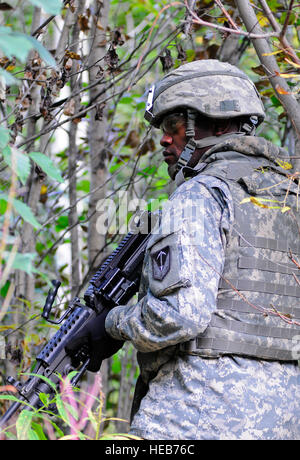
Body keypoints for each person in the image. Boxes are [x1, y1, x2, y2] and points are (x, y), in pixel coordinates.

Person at [67, 59, 300, 440]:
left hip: (196, 412)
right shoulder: (290, 195)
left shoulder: (201, 193)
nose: (164, 139)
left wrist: (111, 324)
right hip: (286, 416)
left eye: (174, 126)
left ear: (218, 124)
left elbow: (179, 315)